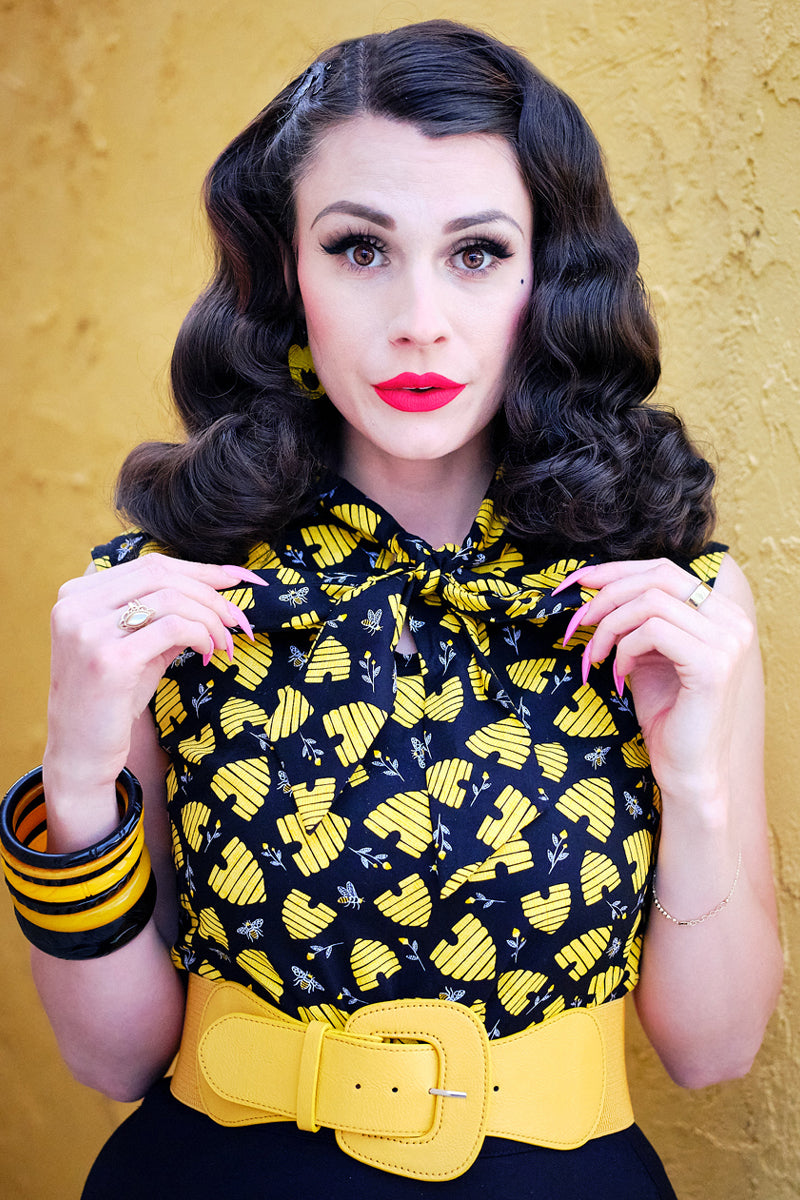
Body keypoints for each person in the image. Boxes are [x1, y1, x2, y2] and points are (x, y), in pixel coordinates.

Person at [0, 19, 782, 1199]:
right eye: (360, 248)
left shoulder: (673, 604)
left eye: (475, 253)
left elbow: (711, 1052)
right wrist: (75, 768)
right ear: (284, 275)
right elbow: (112, 1060)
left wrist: (696, 781)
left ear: (546, 278)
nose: (419, 315)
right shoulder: (173, 590)